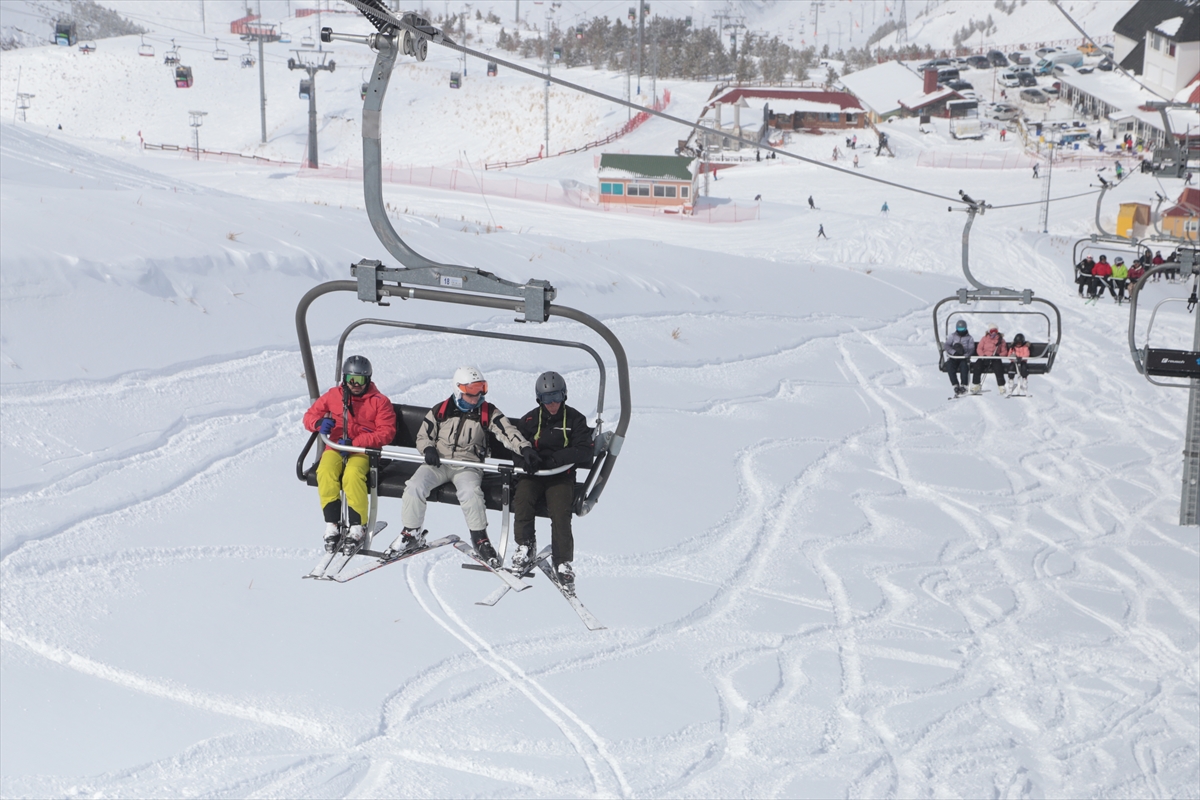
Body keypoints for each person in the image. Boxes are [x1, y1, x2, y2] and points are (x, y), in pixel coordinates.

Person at [389, 366, 536, 567]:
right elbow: (424, 436)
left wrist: (525, 448)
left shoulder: (487, 412)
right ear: (458, 390)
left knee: (470, 492)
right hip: (439, 463)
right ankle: (411, 532)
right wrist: (428, 449)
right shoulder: (440, 410)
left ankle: (480, 538)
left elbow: (508, 432)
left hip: (468, 465)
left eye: (480, 391)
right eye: (471, 392)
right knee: (414, 486)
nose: (476, 398)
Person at [302, 356, 397, 552]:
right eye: (351, 379)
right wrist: (318, 423)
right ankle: (332, 524)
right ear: (344, 378)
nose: (355, 384)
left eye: (360, 380)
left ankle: (357, 526)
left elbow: (386, 432)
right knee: (325, 472)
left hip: (364, 451)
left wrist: (355, 443)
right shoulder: (333, 396)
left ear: (368, 379)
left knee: (352, 476)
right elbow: (309, 416)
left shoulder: (379, 402)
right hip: (336, 446)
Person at [511, 372, 594, 590]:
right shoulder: (529, 420)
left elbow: (585, 450)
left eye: (556, 397)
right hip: (535, 475)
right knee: (523, 499)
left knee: (560, 510)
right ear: (539, 399)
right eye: (547, 398)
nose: (552, 403)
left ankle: (562, 560)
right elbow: (515, 446)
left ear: (564, 395)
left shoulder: (575, 420)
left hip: (561, 476)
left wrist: (557, 459)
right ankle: (525, 545)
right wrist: (526, 460)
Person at [971, 325, 1009, 395]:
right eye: (992, 331)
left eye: (995, 331)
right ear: (989, 332)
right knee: (977, 366)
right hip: (985, 357)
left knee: (998, 368)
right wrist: (983, 355)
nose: (994, 333)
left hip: (995, 358)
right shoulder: (984, 338)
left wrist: (998, 355)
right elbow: (979, 348)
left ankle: (1001, 386)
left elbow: (1004, 351)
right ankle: (976, 384)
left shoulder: (1001, 340)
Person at [943, 320, 975, 397]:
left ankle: (964, 385)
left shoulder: (969, 338)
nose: (961, 331)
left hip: (963, 357)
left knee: (964, 366)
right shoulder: (953, 336)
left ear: (966, 328)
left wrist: (966, 354)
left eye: (962, 329)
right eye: (959, 329)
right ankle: (955, 385)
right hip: (954, 357)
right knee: (949, 365)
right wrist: (953, 352)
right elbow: (946, 345)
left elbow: (971, 348)